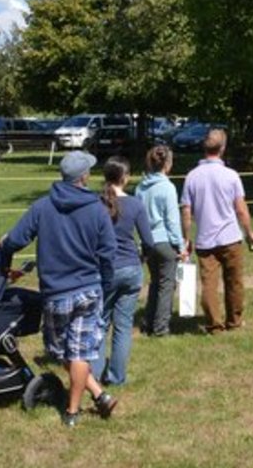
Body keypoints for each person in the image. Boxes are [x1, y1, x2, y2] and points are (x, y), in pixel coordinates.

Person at [0, 150, 118, 426]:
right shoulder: (97, 209)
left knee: (65, 352)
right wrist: (106, 284)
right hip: (89, 289)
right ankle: (99, 396)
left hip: (56, 292)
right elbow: (108, 254)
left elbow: (15, 240)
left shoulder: (43, 206)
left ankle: (72, 411)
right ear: (84, 177)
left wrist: (3, 257)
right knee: (78, 352)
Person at [180, 128, 253, 333]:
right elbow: (241, 209)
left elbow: (186, 212)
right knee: (234, 282)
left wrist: (186, 239)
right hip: (231, 238)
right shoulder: (231, 176)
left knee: (208, 285)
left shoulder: (192, 177)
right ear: (223, 148)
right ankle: (234, 321)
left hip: (205, 240)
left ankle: (214, 324)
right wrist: (250, 232)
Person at [94, 156, 154, 387]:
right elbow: (148, 241)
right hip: (130, 267)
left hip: (105, 269)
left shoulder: (95, 203)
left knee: (100, 323)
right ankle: (117, 377)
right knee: (123, 325)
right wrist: (142, 259)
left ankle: (96, 374)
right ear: (125, 178)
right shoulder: (136, 204)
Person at [136, 145, 185, 337]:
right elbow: (172, 221)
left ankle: (148, 322)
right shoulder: (167, 187)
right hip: (165, 242)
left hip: (148, 241)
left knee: (155, 283)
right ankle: (161, 327)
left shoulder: (141, 187)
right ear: (168, 164)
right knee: (167, 285)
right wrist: (180, 246)